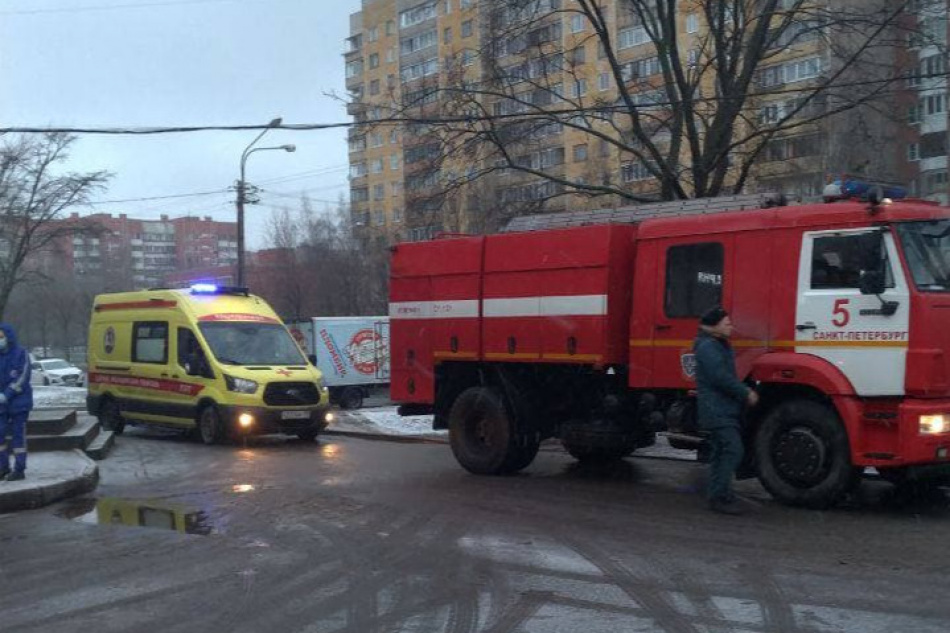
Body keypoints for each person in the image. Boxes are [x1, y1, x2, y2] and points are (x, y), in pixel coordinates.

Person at [693, 307, 758, 515]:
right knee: (733, 449)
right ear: (715, 325)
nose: (732, 327)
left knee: (721, 452)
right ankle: (720, 496)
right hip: (717, 409)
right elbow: (719, 376)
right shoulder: (708, 347)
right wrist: (745, 392)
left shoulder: (716, 344)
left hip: (722, 408)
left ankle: (720, 494)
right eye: (727, 323)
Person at [0, 323, 33, 481]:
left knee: (18, 437)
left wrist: (7, 394)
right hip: (1, 405)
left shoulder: (21, 353)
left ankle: (19, 469)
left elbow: (23, 376)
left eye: (1, 337)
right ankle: (3, 467)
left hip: (19, 403)